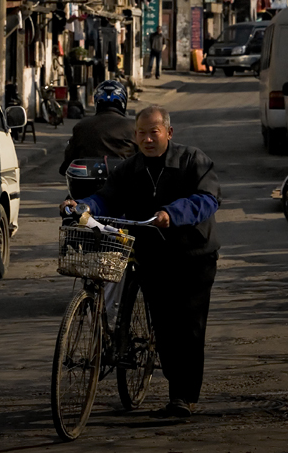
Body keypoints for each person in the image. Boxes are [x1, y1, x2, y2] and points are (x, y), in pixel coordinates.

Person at [59, 104, 221, 418]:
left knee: (187, 327)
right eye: (142, 133)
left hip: (193, 258)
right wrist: (83, 206)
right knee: (164, 326)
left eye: (154, 132)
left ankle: (182, 398)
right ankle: (177, 391)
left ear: (168, 133)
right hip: (153, 256)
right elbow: (106, 196)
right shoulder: (130, 169)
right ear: (135, 136)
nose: (147, 139)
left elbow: (207, 199)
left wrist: (171, 214)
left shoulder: (193, 160)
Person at [58, 79, 136, 175]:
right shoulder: (133, 126)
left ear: (97, 102)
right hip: (123, 182)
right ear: (123, 102)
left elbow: (69, 159)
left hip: (88, 184)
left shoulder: (81, 126)